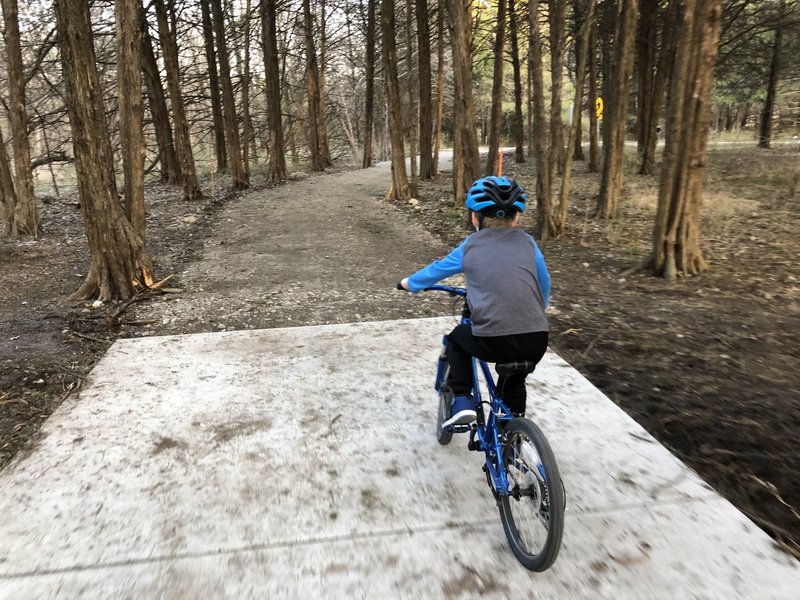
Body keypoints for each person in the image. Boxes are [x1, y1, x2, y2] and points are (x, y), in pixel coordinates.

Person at [399, 176, 550, 428]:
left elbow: (437, 270)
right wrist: (536, 312)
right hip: (536, 338)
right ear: (516, 218)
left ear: (474, 218)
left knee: (458, 338)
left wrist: (409, 283)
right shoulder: (528, 243)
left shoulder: (471, 245)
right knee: (515, 380)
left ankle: (462, 401)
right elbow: (543, 284)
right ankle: (511, 433)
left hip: (492, 340)